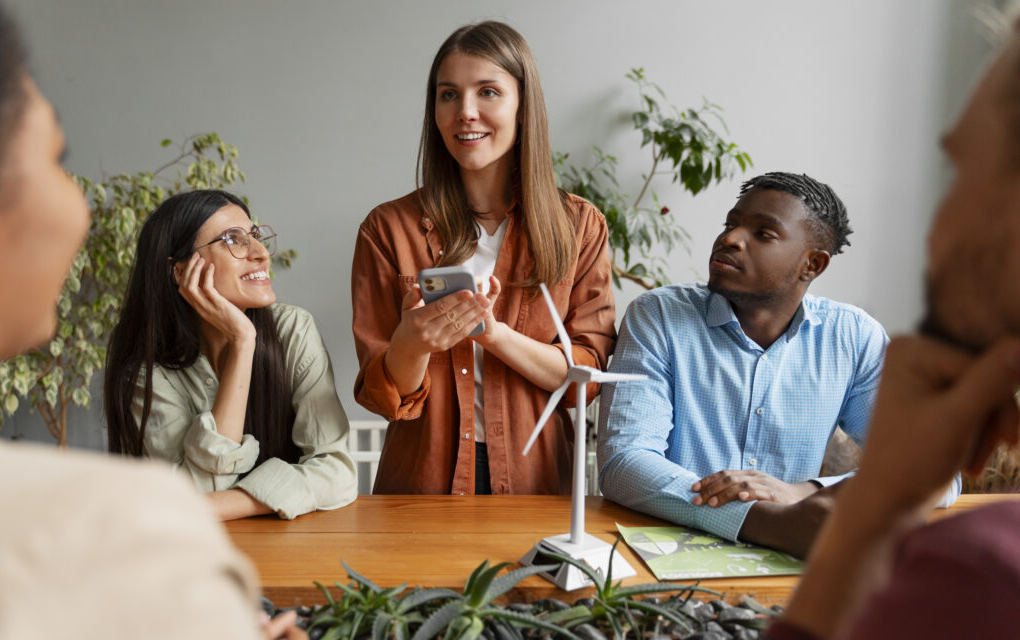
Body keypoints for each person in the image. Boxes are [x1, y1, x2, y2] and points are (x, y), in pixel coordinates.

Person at [0, 0, 306, 640]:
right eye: (58, 158)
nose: (81, 208)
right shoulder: (117, 528)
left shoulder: (293, 331)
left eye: (255, 234)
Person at [736, 18, 1020, 640]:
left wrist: (853, 518)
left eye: (962, 175)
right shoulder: (664, 316)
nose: (935, 232)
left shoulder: (983, 575)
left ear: (814, 263)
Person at [598, 172, 959, 557]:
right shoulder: (659, 316)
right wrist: (766, 521)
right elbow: (625, 463)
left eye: (763, 233)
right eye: (731, 223)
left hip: (795, 564)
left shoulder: (854, 337)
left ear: (812, 265)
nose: (730, 239)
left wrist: (804, 493)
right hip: (660, 554)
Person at [351, 21, 616, 495]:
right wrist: (411, 344)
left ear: (523, 106)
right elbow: (383, 396)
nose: (465, 113)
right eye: (448, 95)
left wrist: (494, 335)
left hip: (538, 485)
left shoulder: (579, 227)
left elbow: (587, 379)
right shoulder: (386, 229)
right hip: (419, 488)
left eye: (488, 92)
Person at [104, 189, 357, 521]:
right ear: (180, 272)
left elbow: (337, 472)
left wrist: (231, 503)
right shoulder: (147, 370)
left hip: (293, 549)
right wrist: (242, 341)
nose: (262, 253)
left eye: (254, 235)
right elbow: (196, 492)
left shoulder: (292, 330)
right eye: (233, 240)